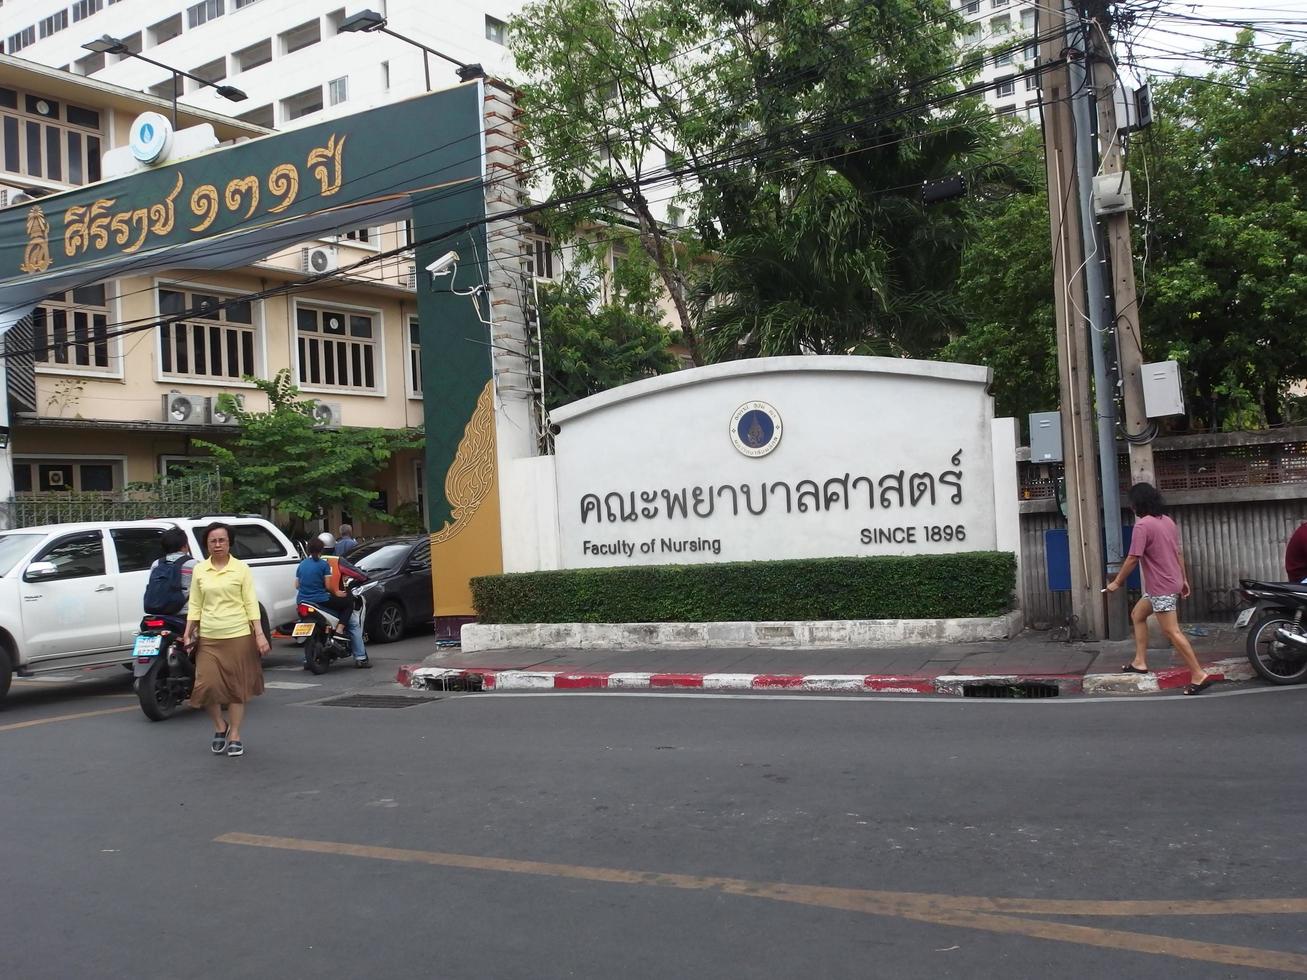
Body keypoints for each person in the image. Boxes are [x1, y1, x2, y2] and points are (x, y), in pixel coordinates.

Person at [1105, 483, 1215, 695]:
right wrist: (1183, 580)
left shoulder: (1142, 526)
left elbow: (1132, 558)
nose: (1131, 506)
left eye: (1132, 502)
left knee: (1171, 631)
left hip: (1161, 586)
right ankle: (1139, 662)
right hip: (1168, 582)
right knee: (1137, 614)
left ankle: (1198, 674)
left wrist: (1117, 582)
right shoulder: (1167, 521)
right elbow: (1178, 553)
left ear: (1138, 504)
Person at [182, 522, 269, 757]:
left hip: (238, 634)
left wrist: (259, 634)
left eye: (222, 540)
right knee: (207, 686)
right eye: (213, 541)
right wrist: (189, 631)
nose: (217, 544)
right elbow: (195, 603)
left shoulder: (241, 569)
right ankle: (220, 726)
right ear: (206, 545)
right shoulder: (200, 570)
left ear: (229, 542)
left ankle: (235, 734)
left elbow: (251, 603)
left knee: (236, 689)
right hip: (209, 637)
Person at [295, 536, 369, 668]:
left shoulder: (302, 563)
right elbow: (330, 586)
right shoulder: (334, 561)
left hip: (302, 601)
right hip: (321, 600)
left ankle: (308, 659)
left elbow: (296, 585)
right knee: (351, 616)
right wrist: (338, 593)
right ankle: (357, 652)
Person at [143, 526, 196, 619]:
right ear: (185, 545)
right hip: (185, 614)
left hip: (158, 613)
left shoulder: (156, 564)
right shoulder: (193, 564)